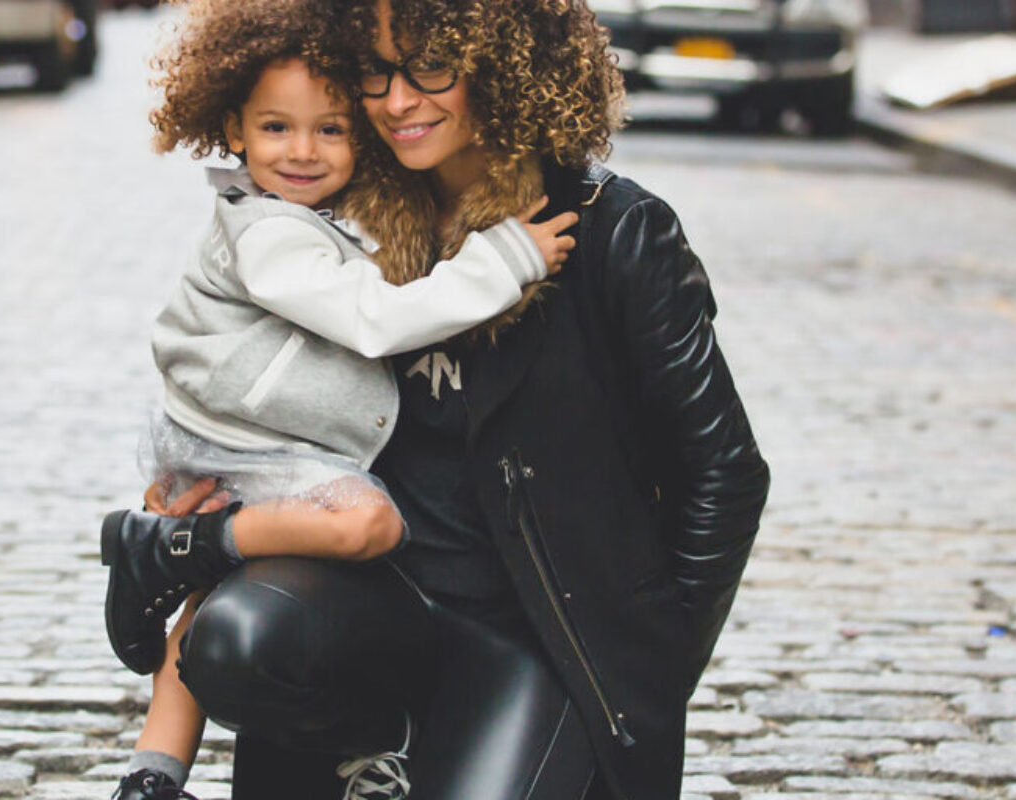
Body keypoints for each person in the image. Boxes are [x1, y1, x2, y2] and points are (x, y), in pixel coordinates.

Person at [150, 0, 773, 798]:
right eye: (375, 70)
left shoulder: (614, 232)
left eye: (431, 64)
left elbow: (724, 475)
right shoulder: (336, 221)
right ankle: (379, 740)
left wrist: (642, 674)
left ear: (502, 58)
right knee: (234, 639)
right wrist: (198, 504)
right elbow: (244, 392)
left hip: (539, 641)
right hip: (375, 612)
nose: (398, 100)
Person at [99, 1, 580, 797]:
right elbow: (373, 318)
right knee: (370, 523)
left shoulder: (314, 217)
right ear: (233, 131)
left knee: (202, 615)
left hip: (229, 439)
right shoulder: (270, 232)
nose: (303, 152)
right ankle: (370, 738)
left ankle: (152, 772)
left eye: (330, 129)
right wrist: (505, 258)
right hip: (255, 448)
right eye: (276, 129)